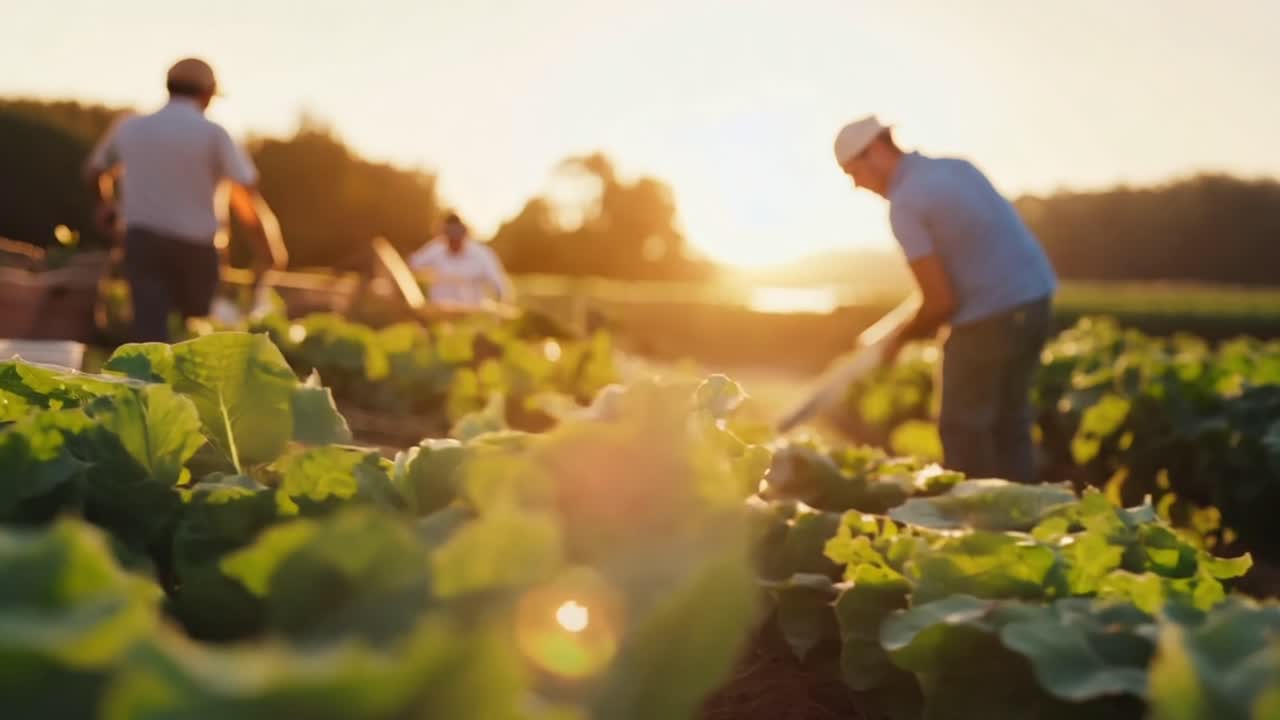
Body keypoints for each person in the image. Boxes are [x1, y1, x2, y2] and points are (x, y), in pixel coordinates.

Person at [833, 115, 1058, 484]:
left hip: (989, 315)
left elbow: (940, 302)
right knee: (1010, 421)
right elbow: (965, 269)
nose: (857, 186)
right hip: (1035, 301)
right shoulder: (957, 169)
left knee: (962, 429)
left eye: (852, 173)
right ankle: (1025, 522)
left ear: (874, 151)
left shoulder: (905, 204)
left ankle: (978, 530)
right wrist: (891, 330)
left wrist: (897, 342)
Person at [84, 57, 287, 342]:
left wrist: (106, 206)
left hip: (142, 242)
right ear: (208, 94)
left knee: (149, 335)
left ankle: (142, 383)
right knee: (195, 335)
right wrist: (268, 249)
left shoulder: (130, 127)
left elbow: (95, 172)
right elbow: (246, 197)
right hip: (197, 250)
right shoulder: (214, 134)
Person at [407, 213, 514, 307]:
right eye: (449, 235)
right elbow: (411, 266)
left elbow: (499, 283)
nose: (454, 240)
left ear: (464, 233)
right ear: (443, 235)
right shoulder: (435, 249)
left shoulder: (482, 254)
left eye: (457, 234)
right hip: (440, 313)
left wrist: (503, 304)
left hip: (472, 314)